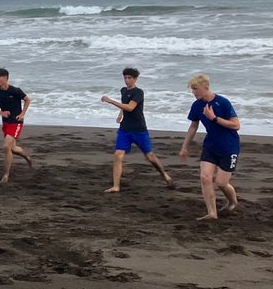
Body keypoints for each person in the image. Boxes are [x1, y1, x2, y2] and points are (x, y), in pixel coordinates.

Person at [178, 73, 241, 221]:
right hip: (210, 145)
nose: (193, 92)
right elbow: (193, 126)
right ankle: (212, 213)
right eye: (192, 89)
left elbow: (236, 125)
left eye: (195, 88)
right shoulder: (197, 105)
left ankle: (232, 201)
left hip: (229, 146)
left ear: (205, 87)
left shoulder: (222, 102)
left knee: (221, 183)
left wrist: (214, 118)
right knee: (205, 177)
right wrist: (184, 146)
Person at [101, 67, 172, 193]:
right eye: (125, 78)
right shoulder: (123, 90)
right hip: (125, 129)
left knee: (150, 157)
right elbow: (124, 105)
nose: (127, 80)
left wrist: (111, 101)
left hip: (139, 129)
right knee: (118, 155)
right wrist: (120, 114)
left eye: (129, 78)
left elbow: (130, 107)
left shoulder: (138, 92)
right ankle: (116, 186)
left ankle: (165, 175)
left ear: (135, 79)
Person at [0, 68, 33, 183]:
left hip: (16, 121)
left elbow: (27, 100)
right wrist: (1, 113)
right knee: (12, 148)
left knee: (5, 146)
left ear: (6, 78)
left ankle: (6, 174)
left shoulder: (15, 90)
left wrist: (22, 114)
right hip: (6, 121)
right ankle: (27, 156)